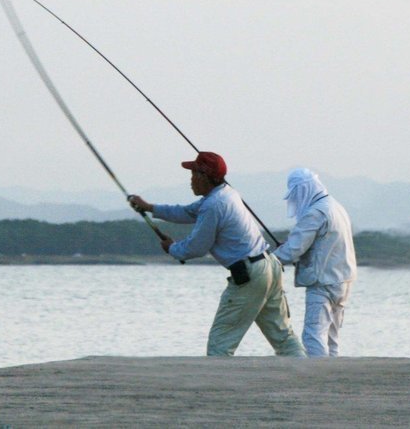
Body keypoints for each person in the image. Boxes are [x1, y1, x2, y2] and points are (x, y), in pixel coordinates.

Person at [128, 152, 304, 358]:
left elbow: (197, 247)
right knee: (283, 337)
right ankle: (307, 375)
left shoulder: (213, 205)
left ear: (205, 177)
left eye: (193, 174)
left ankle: (220, 390)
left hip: (250, 275)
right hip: (269, 267)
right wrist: (149, 208)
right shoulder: (226, 194)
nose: (190, 180)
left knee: (219, 345)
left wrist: (173, 249)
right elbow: (186, 213)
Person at [272, 167, 357, 357]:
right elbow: (319, 243)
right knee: (332, 338)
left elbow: (294, 249)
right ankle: (331, 375)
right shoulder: (335, 207)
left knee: (313, 335)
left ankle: (318, 380)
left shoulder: (315, 213)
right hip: (343, 281)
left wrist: (269, 259)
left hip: (323, 283)